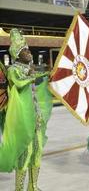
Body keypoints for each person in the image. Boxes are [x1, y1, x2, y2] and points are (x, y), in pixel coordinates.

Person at [0, 29, 52, 191]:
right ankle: (19, 188)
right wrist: (33, 76)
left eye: (29, 50)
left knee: (37, 152)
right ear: (17, 54)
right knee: (24, 154)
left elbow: (38, 85)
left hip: (35, 118)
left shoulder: (30, 69)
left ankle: (33, 186)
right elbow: (20, 82)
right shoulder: (13, 70)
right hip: (22, 119)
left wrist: (47, 76)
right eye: (25, 51)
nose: (29, 53)